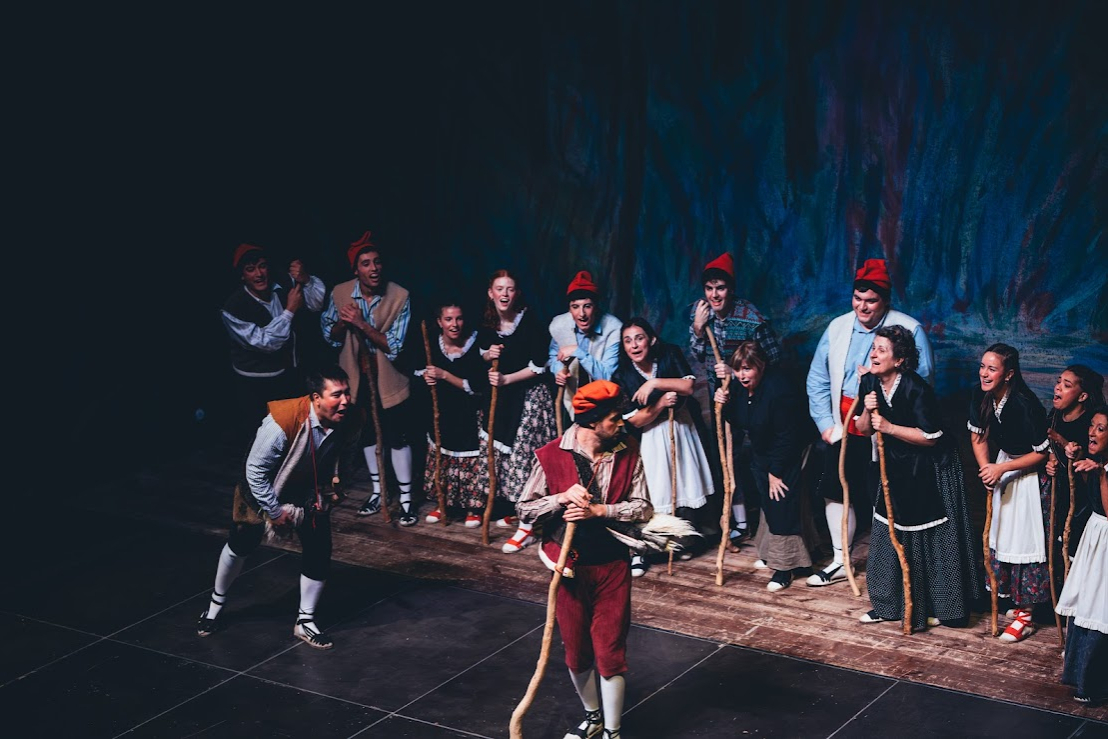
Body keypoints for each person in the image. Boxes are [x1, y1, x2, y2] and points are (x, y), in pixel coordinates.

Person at [516, 380, 653, 739]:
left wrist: (600, 511)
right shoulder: (551, 455)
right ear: (592, 421)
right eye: (614, 419)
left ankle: (612, 732)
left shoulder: (627, 451)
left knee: (610, 650)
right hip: (567, 568)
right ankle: (593, 718)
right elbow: (525, 510)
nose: (621, 424)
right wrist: (560, 498)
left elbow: (643, 507)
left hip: (612, 565)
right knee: (576, 651)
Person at [196, 366, 362, 649]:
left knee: (319, 548)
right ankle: (214, 606)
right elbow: (255, 471)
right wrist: (274, 510)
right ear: (316, 398)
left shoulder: (351, 417)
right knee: (242, 544)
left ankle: (305, 621)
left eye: (347, 392)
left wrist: (335, 487)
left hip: (308, 488)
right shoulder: (281, 422)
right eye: (337, 394)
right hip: (264, 487)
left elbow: (346, 454)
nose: (345, 400)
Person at [805, 258, 934, 587]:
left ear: (886, 301)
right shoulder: (838, 327)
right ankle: (840, 559)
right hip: (845, 423)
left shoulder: (908, 329)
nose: (862, 306)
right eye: (857, 298)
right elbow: (817, 379)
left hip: (888, 429)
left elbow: (921, 385)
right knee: (836, 489)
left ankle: (894, 570)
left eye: (871, 300)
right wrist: (826, 424)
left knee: (887, 494)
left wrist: (879, 393)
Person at [853, 326, 982, 629]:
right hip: (895, 468)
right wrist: (867, 412)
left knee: (930, 536)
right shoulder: (870, 382)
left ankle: (938, 606)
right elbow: (863, 428)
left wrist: (889, 427)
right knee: (889, 532)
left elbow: (931, 437)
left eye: (882, 350)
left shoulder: (916, 389)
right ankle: (888, 604)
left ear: (899, 360)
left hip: (929, 468)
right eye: (874, 348)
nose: (874, 354)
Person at [321, 231, 418, 526]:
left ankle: (406, 499)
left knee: (397, 437)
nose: (374, 268)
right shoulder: (340, 293)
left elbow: (395, 346)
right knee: (367, 435)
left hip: (390, 379)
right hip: (356, 379)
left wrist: (361, 324)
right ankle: (378, 492)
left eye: (377, 262)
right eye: (366, 264)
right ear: (356, 270)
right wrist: (343, 322)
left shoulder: (399, 296)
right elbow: (330, 337)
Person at [691, 252, 782, 544]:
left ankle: (769, 522)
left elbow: (774, 361)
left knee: (753, 456)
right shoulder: (701, 314)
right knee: (726, 460)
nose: (714, 295)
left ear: (730, 289)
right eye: (709, 288)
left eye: (720, 288)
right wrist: (697, 329)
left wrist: (734, 371)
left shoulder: (751, 318)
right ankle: (739, 523)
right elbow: (697, 354)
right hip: (720, 399)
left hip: (751, 399)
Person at [613, 318, 713, 575]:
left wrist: (655, 383)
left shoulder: (669, 353)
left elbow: (688, 386)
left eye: (639, 338)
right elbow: (635, 420)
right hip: (649, 438)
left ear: (652, 340)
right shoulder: (622, 375)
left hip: (681, 427)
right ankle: (642, 550)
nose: (634, 345)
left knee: (682, 485)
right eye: (628, 341)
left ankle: (681, 542)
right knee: (655, 492)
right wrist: (659, 405)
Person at [715, 341, 815, 592]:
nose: (741, 375)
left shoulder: (779, 390)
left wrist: (775, 471)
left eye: (747, 369)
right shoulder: (741, 388)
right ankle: (781, 555)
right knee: (769, 503)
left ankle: (784, 567)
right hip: (762, 451)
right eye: (737, 369)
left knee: (782, 503)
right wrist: (724, 403)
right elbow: (740, 419)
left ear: (761, 367)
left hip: (788, 450)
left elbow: (787, 436)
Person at [969, 343, 1050, 643]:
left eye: (992, 369)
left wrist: (1002, 469)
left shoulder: (1025, 404)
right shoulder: (981, 395)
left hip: (1027, 475)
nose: (984, 373)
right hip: (1002, 468)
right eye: (982, 366)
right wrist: (986, 470)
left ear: (1009, 374)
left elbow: (1041, 453)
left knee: (1024, 541)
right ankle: (1014, 602)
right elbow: (978, 436)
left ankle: (1026, 615)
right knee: (1002, 536)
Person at [478, 270, 559, 552]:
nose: (504, 294)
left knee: (524, 461)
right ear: (491, 293)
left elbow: (539, 365)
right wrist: (488, 355)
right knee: (502, 458)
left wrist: (507, 379)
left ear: (516, 293)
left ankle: (529, 527)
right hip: (501, 401)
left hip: (529, 399)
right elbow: (480, 354)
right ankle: (519, 511)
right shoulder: (487, 323)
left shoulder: (530, 322)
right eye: (499, 289)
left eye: (510, 289)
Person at [221, 242, 325, 439]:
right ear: (243, 275)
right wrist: (290, 310)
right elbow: (266, 342)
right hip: (255, 383)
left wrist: (306, 280)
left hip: (288, 373)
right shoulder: (233, 308)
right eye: (250, 269)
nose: (259, 274)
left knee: (295, 430)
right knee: (264, 438)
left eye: (262, 266)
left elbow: (315, 304)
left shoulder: (282, 283)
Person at [418, 300, 487, 526]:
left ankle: (473, 508)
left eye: (458, 318)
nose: (454, 324)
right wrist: (426, 376)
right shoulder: (431, 344)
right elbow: (417, 370)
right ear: (440, 322)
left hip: (469, 413)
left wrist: (444, 375)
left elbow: (477, 385)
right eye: (448, 319)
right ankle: (443, 503)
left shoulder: (476, 344)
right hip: (443, 411)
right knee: (443, 455)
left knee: (470, 457)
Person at [1055, 408, 1107, 705]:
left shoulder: (1104, 468)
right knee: (1088, 601)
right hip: (1095, 537)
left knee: (1101, 605)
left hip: (1106, 539)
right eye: (1092, 426)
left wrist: (1100, 473)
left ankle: (1095, 683)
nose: (1092, 432)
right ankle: (1080, 675)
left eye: (1101, 428)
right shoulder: (1098, 463)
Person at [1044, 365, 1104, 560]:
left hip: (1084, 501)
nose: (1058, 387)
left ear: (1082, 396)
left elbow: (1092, 471)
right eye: (1058, 382)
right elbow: (1050, 449)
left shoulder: (1091, 425)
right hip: (1060, 494)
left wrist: (1066, 446)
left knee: (1076, 551)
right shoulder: (1054, 416)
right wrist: (1051, 461)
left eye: (1067, 385)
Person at [549, 271, 624, 422]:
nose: (581, 314)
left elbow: (606, 376)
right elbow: (553, 356)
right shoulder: (559, 325)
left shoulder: (614, 328)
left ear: (596, 307)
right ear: (569, 309)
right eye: (575, 307)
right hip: (571, 398)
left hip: (605, 400)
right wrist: (558, 370)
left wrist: (578, 352)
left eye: (587, 306)